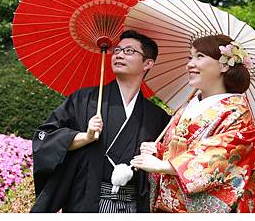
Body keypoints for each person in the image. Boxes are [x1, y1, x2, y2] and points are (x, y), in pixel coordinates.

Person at [31, 30, 171, 213]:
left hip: (133, 206)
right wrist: (84, 137)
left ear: (148, 63)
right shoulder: (83, 100)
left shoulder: (157, 116)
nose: (119, 54)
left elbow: (172, 160)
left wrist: (157, 153)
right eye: (118, 50)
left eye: (129, 51)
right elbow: (45, 138)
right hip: (87, 202)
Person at [130, 34, 255, 213]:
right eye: (190, 57)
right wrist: (158, 152)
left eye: (199, 57)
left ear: (224, 65)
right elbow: (181, 149)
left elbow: (222, 155)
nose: (190, 64)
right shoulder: (189, 105)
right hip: (167, 206)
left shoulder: (237, 111)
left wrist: (164, 166)